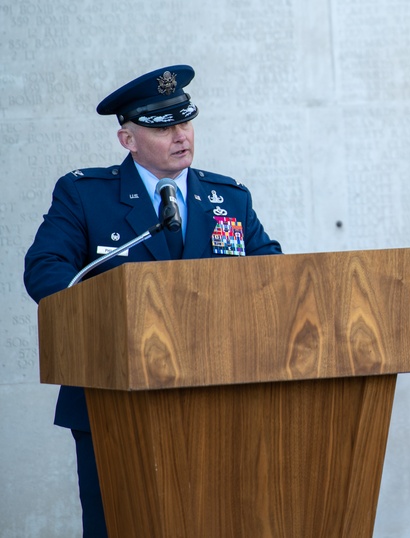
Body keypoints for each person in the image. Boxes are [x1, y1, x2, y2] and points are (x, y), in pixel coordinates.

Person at [23, 65, 282, 537]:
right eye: (164, 127)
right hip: (114, 397)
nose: (181, 136)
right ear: (128, 140)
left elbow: (274, 277)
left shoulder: (230, 199)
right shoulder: (85, 195)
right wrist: (106, 314)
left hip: (221, 395)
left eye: (186, 121)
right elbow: (46, 270)